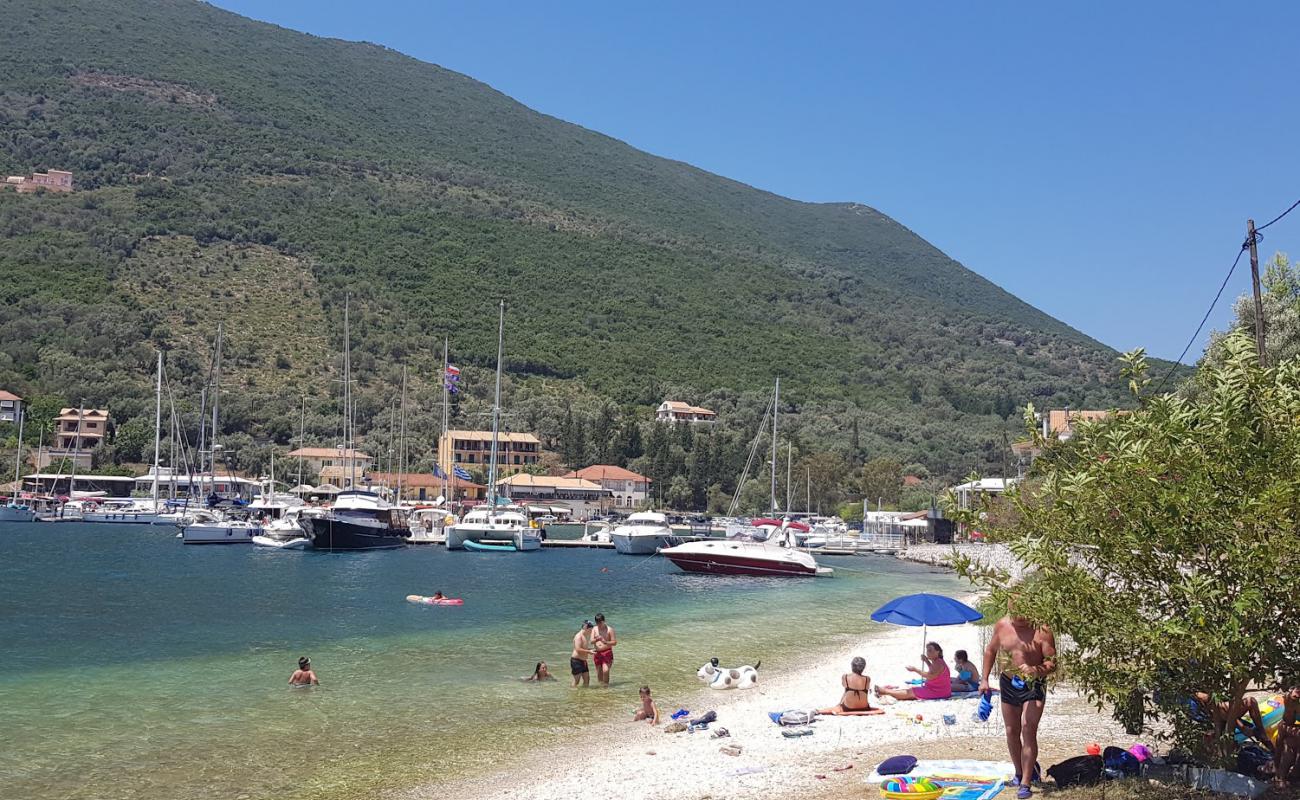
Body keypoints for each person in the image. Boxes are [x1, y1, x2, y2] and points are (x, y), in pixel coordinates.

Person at [980, 610, 1057, 799]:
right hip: (1008, 682)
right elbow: (990, 650)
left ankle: (1026, 782)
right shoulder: (1001, 625)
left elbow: (1052, 663)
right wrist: (984, 680)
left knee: (1027, 728)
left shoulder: (1042, 630)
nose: (1019, 619)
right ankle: (1019, 773)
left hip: (1034, 684)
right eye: (1015, 614)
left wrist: (1035, 669)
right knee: (1011, 731)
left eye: (1023, 615)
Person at [875, 642, 952, 701]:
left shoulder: (938, 663)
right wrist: (926, 661)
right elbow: (933, 670)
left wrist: (915, 669)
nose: (928, 652)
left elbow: (930, 676)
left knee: (912, 691)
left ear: (938, 651)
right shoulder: (937, 661)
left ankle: (884, 691)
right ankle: (887, 691)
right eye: (927, 650)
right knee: (911, 689)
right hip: (937, 689)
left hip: (938, 692)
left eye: (930, 650)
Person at [1276, 681, 1300, 787]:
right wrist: (1291, 704)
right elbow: (1287, 721)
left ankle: (1286, 774)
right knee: (1289, 740)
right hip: (1292, 728)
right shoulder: (1294, 699)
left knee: (1290, 740)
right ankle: (1281, 775)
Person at [591, 612, 617, 687]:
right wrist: (596, 639)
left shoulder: (609, 629)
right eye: (597, 622)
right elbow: (591, 641)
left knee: (605, 670)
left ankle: (606, 686)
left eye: (600, 622)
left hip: (607, 652)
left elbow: (614, 642)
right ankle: (601, 690)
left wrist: (604, 641)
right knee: (599, 672)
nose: (599, 624)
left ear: (604, 621)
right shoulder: (594, 629)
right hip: (597, 653)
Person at [571, 620, 595, 687]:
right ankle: (573, 694)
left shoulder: (585, 636)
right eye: (590, 629)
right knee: (576, 681)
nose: (591, 631)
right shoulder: (578, 636)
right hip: (576, 661)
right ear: (585, 627)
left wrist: (591, 650)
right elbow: (578, 649)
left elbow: (583, 648)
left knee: (587, 679)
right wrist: (589, 652)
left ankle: (584, 695)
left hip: (583, 661)